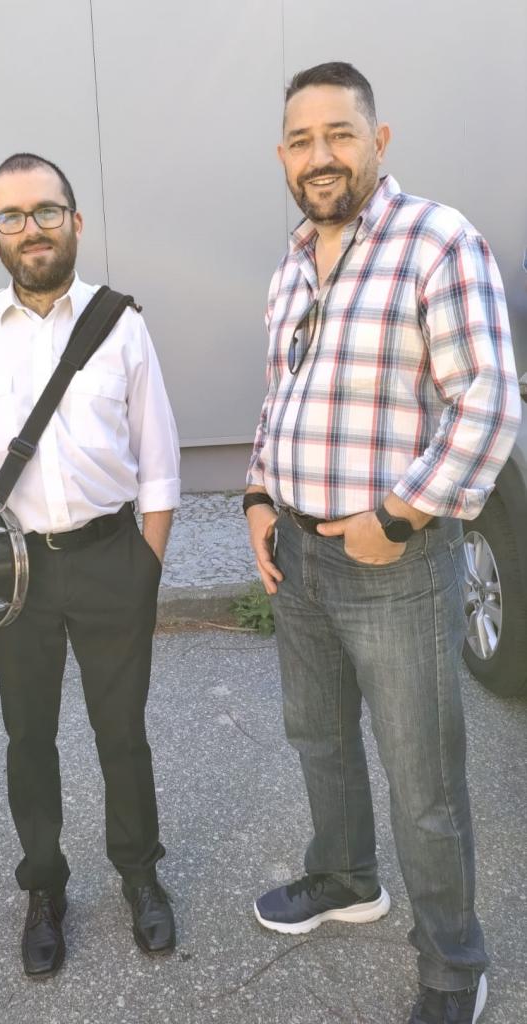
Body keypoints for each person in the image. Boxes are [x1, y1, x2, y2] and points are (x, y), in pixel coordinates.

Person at [244, 63, 520, 1024]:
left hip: (395, 561)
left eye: (340, 134)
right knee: (318, 736)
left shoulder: (435, 241)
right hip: (301, 557)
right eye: (301, 139)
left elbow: (489, 403)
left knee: (424, 782)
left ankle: (454, 963)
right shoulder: (292, 262)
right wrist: (256, 492)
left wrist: (397, 517)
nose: (320, 155)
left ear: (379, 140)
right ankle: (345, 878)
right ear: (283, 155)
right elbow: (282, 395)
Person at [0, 153, 180, 976]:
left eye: (46, 211)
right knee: (29, 737)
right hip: (11, 573)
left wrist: (145, 569)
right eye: (11, 216)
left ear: (75, 221)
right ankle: (44, 886)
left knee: (123, 733)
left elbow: (159, 461)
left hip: (111, 556)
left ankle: (140, 874)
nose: (31, 229)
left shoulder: (122, 324)